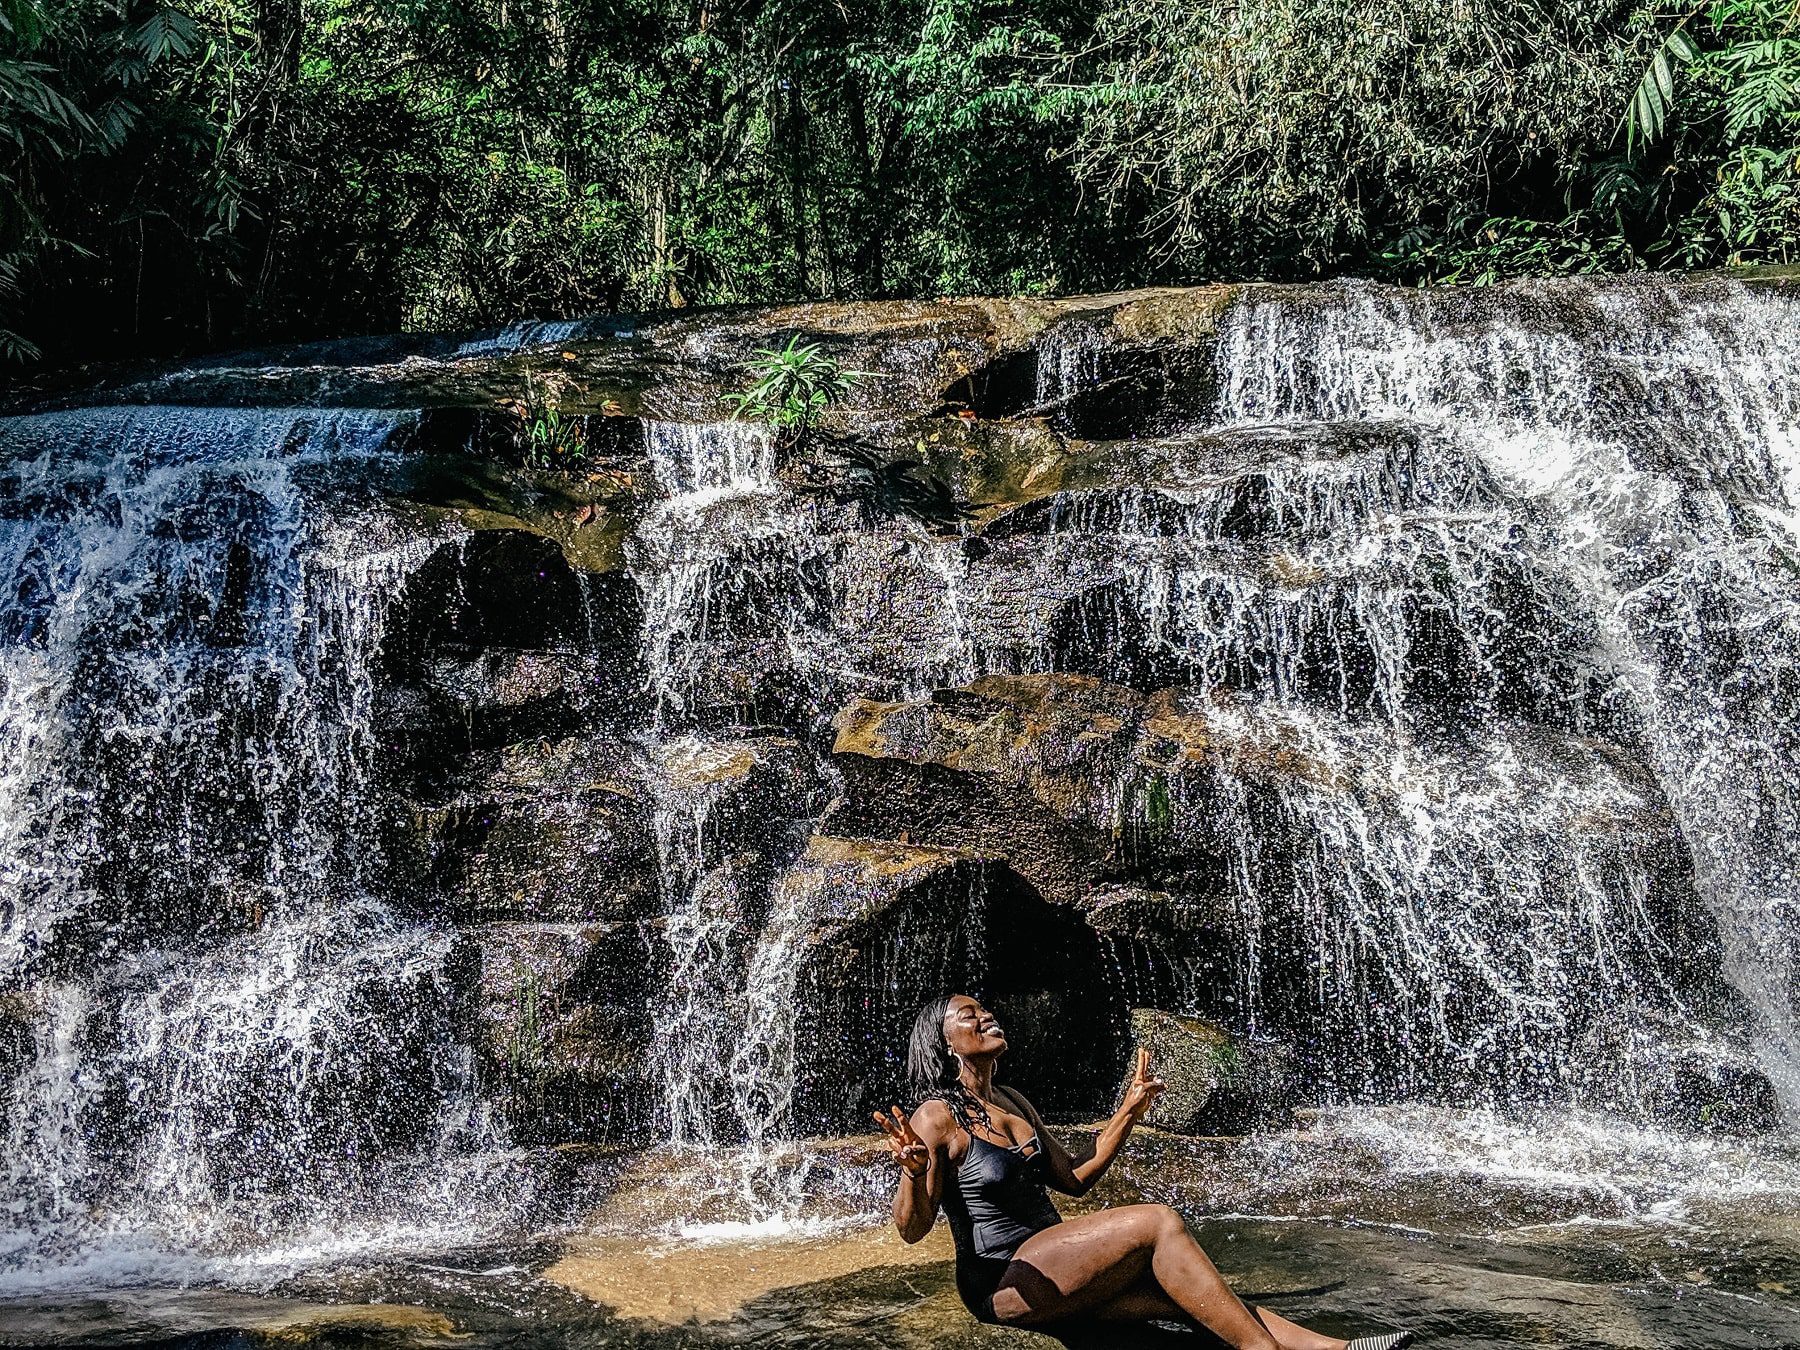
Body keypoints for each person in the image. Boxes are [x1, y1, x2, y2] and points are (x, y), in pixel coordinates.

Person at [874, 994, 1412, 1350]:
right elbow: (912, 1228)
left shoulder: (1013, 1101)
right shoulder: (935, 1116)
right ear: (945, 1042)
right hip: (1005, 1280)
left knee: (1193, 1296)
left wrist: (1129, 1109)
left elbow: (1075, 1179)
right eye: (970, 1015)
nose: (986, 1016)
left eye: (986, 1009)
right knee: (1157, 1222)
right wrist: (912, 1171)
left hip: (1059, 1261)